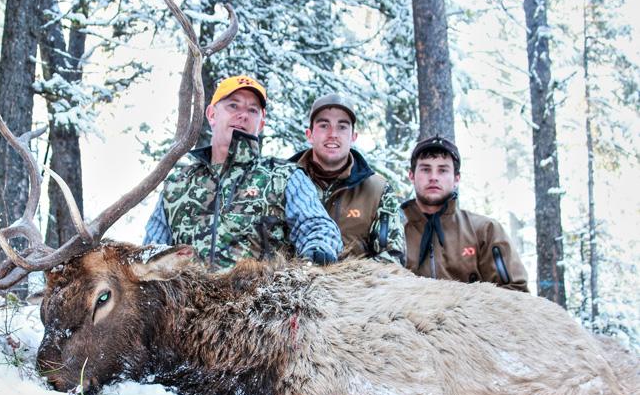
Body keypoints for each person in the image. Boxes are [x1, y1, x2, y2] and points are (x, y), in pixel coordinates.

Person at [144, 75, 343, 270]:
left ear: (261, 123)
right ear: (212, 114)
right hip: (187, 301)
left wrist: (319, 250)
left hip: (260, 300)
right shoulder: (178, 184)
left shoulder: (284, 177)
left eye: (253, 110)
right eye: (233, 106)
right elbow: (152, 252)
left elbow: (317, 226)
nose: (243, 115)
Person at [401, 135, 529, 291]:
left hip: (473, 315)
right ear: (412, 176)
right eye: (426, 169)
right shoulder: (391, 231)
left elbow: (516, 292)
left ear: (456, 178)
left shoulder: (485, 231)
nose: (433, 177)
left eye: (442, 170)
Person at [289, 93, 405, 264]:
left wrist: (346, 281)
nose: (333, 134)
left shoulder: (378, 191)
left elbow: (393, 256)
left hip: (356, 288)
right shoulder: (281, 181)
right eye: (324, 125)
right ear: (309, 134)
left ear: (353, 137)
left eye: (342, 127)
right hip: (291, 287)